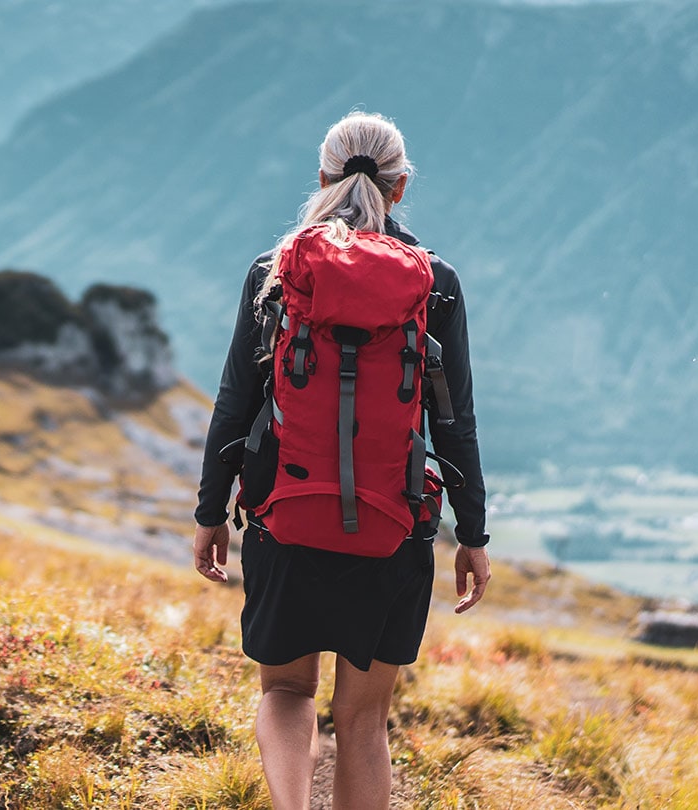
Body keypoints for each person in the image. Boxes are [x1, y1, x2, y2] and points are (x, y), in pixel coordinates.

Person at [192, 112, 492, 810]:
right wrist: (472, 535)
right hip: (394, 527)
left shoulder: (276, 273)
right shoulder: (435, 282)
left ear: (323, 177)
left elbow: (234, 403)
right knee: (363, 721)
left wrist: (210, 514)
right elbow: (455, 422)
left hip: (281, 516)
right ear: (401, 184)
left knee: (287, 690)